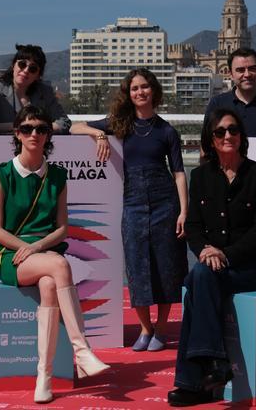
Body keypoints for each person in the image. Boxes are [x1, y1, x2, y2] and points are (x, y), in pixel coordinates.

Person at [0, 105, 109, 403]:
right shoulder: (2, 174)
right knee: (58, 265)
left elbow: (62, 229)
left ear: (48, 135)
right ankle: (82, 351)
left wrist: (37, 247)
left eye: (41, 129)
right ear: (17, 134)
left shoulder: (57, 176)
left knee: (49, 284)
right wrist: (25, 247)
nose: (34, 134)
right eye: (27, 129)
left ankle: (44, 376)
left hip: (43, 253)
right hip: (11, 257)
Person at [71, 68, 188, 352]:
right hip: (133, 202)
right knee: (137, 266)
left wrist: (184, 211)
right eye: (134, 88)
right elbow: (74, 127)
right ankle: (145, 329)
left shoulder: (166, 131)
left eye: (145, 87)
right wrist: (99, 135)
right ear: (129, 93)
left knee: (165, 266)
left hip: (165, 202)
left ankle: (161, 329)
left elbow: (179, 173)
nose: (140, 92)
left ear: (154, 91)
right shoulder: (120, 124)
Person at [168, 108, 256, 407]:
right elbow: (192, 226)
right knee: (200, 279)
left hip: (251, 268)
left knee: (198, 282)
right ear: (211, 140)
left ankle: (196, 380)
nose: (227, 136)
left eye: (233, 130)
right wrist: (204, 250)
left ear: (241, 137)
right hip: (211, 266)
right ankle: (210, 369)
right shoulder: (200, 176)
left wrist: (224, 254)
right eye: (220, 132)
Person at [0, 44, 71, 134]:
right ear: (13, 65)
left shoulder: (45, 92)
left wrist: (38, 128)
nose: (26, 70)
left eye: (32, 69)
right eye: (22, 64)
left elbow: (64, 122)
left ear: (38, 75)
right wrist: (17, 126)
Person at [203, 47, 256, 138]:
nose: (247, 74)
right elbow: (206, 144)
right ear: (231, 74)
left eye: (252, 68)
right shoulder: (217, 104)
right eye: (240, 70)